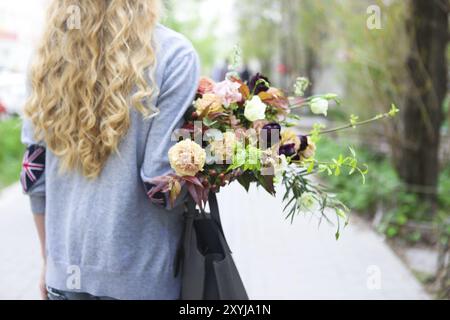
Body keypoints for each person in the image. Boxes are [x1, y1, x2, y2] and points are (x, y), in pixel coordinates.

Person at [21, 0, 200, 300]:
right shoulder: (174, 54)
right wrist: (212, 154)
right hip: (141, 279)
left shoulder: (46, 58)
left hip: (64, 276)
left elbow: (34, 177)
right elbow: (161, 187)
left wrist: (48, 261)